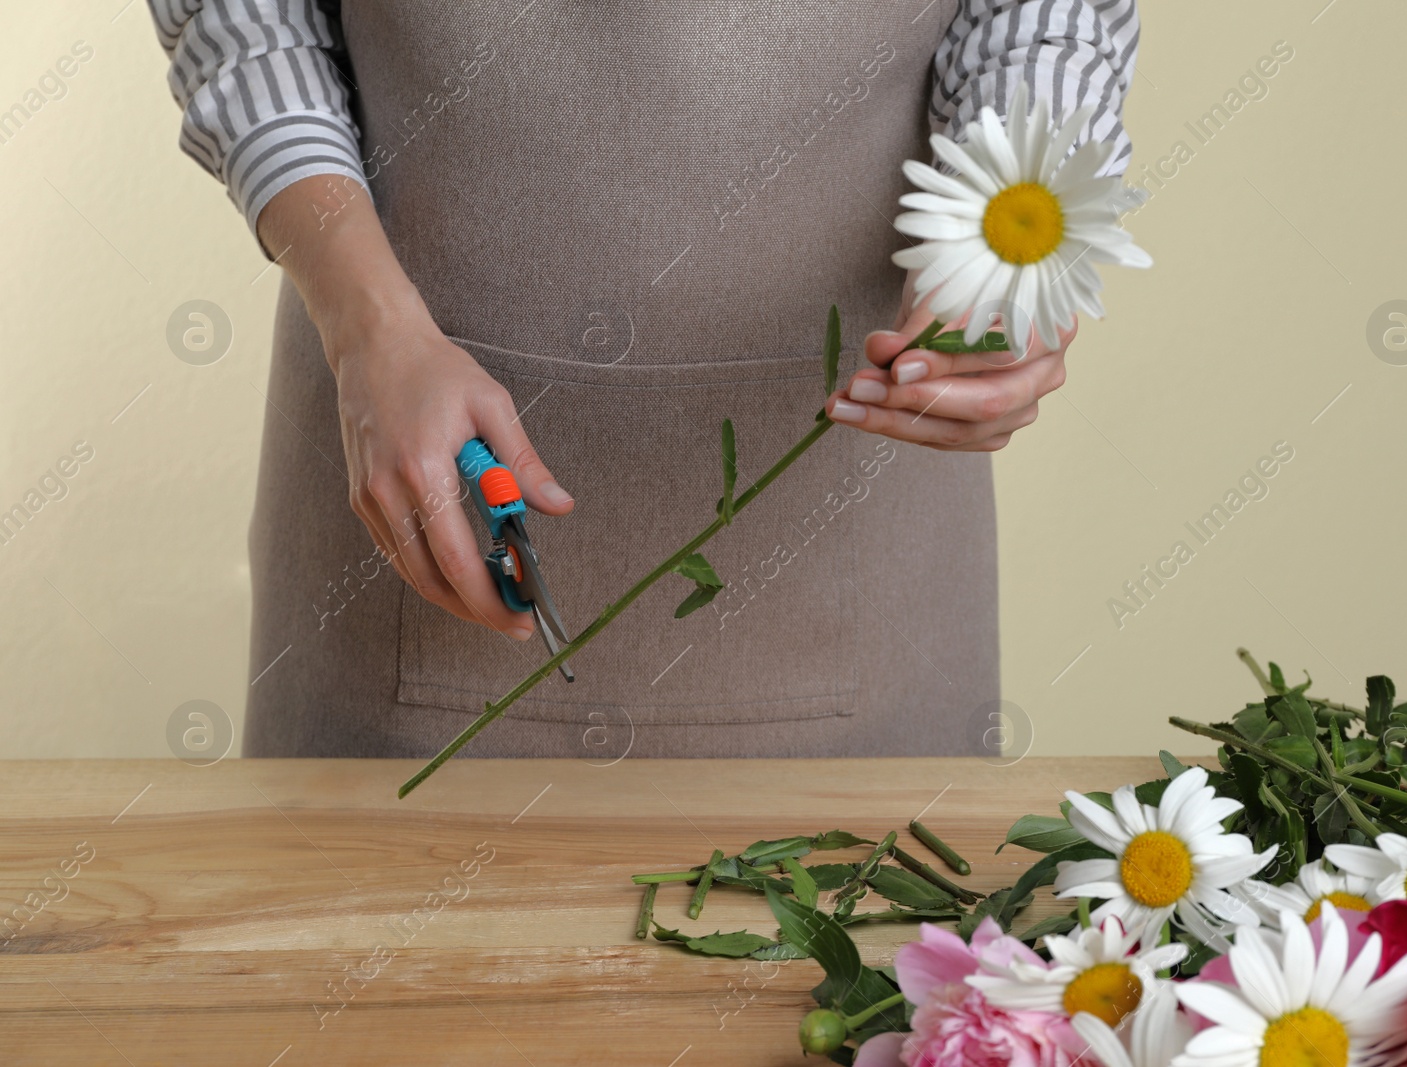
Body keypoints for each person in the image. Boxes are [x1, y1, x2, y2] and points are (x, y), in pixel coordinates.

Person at [145, 0, 1139, 761]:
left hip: (870, 572)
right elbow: (246, 22)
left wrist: (1005, 250)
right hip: (404, 521)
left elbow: (1045, 17)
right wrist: (368, 322)